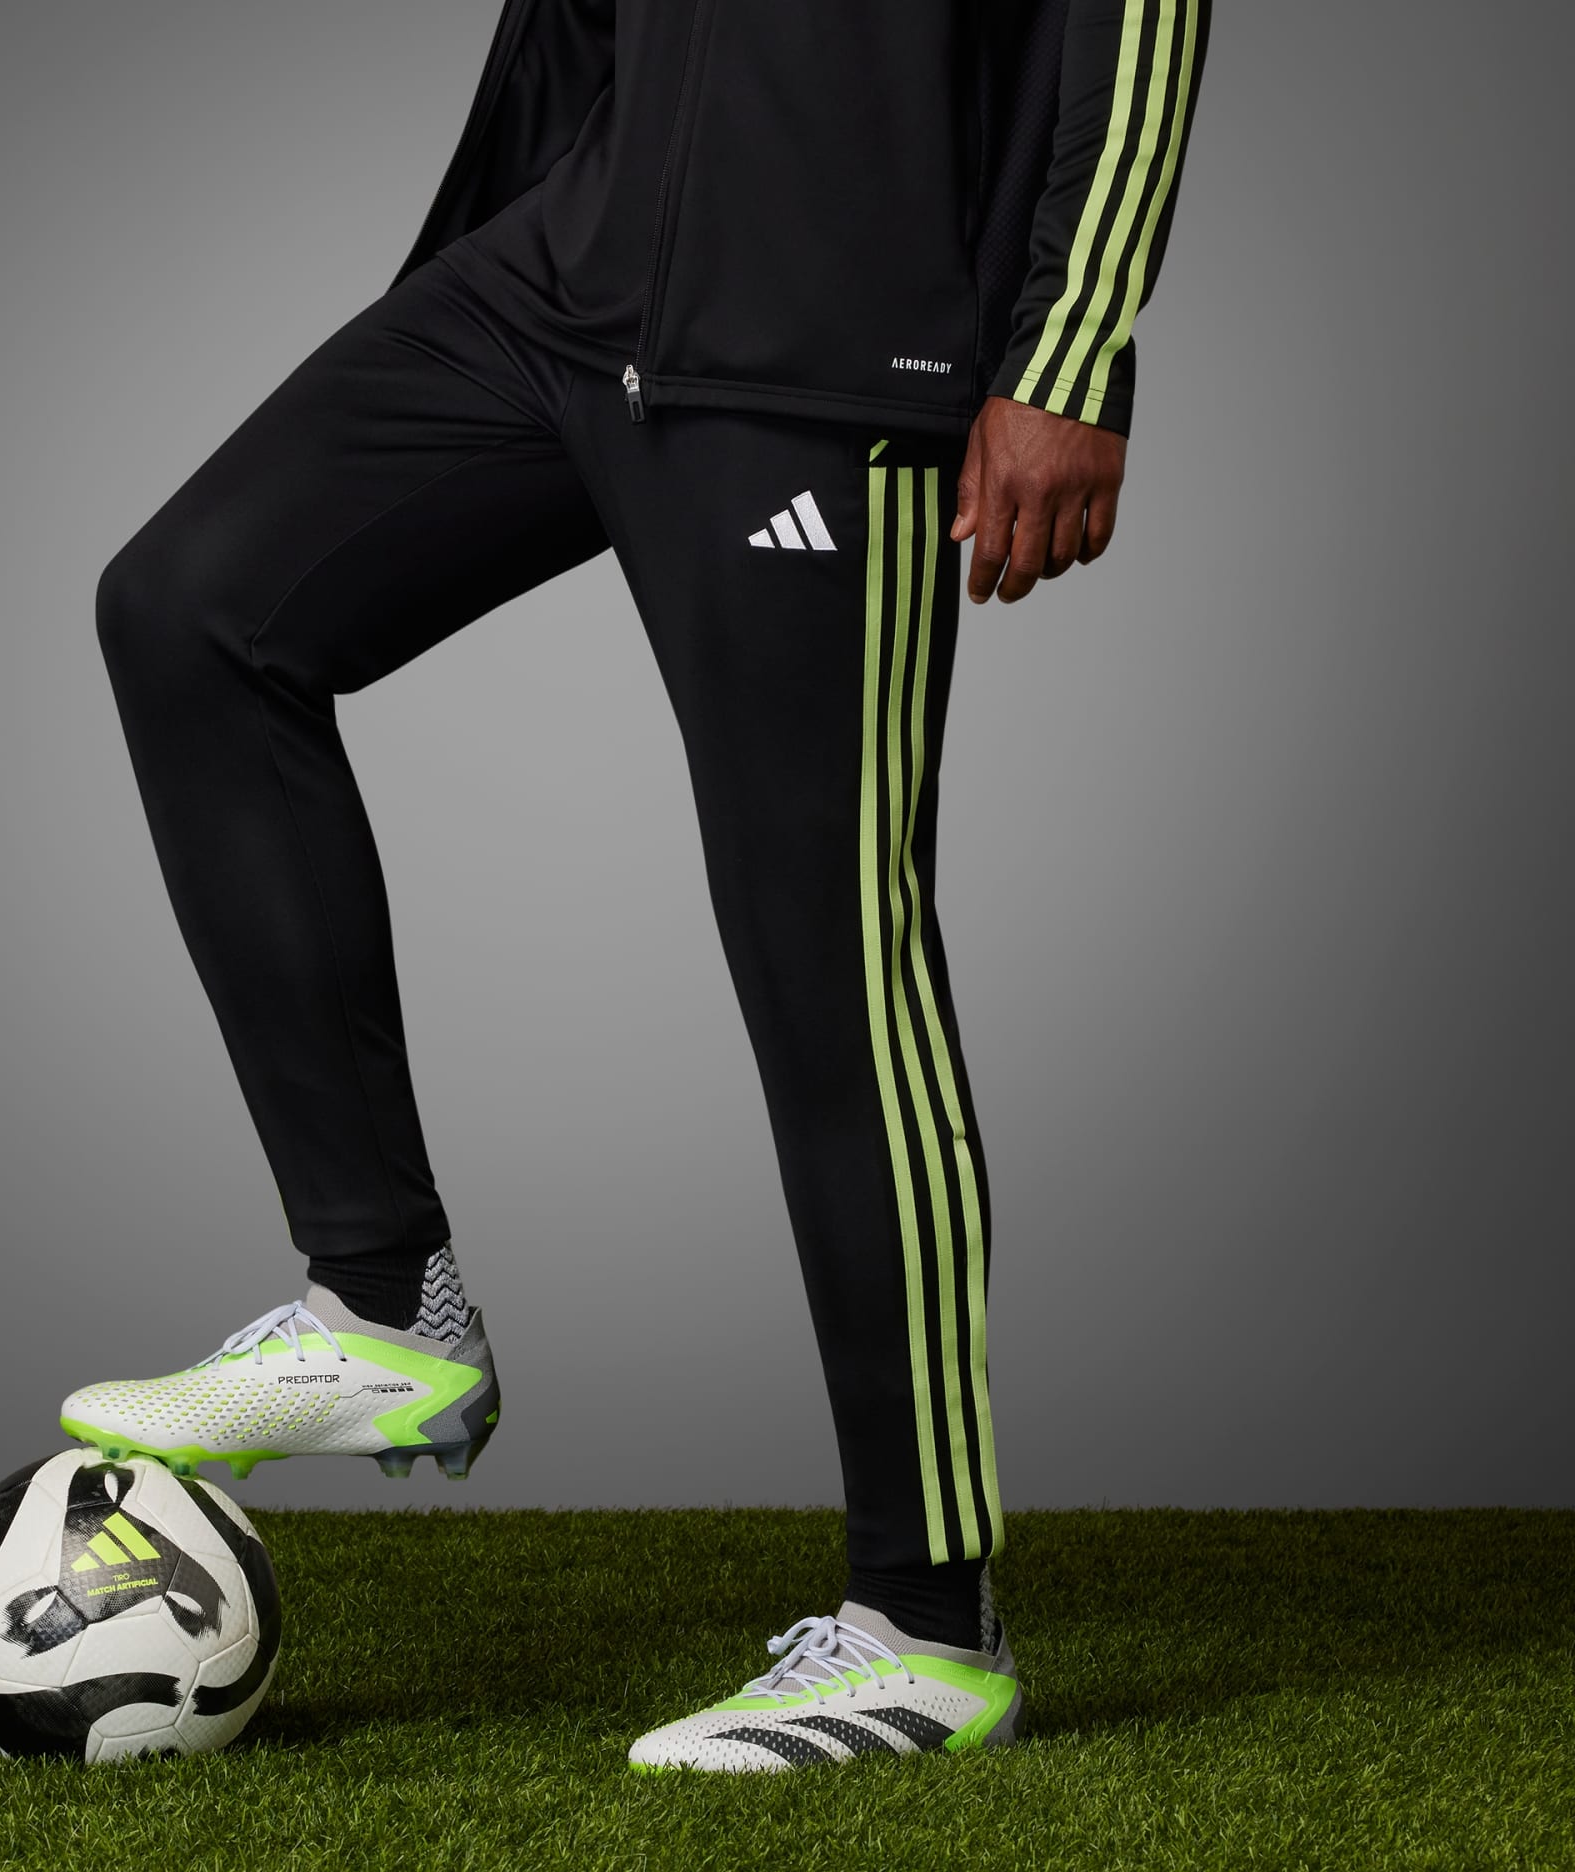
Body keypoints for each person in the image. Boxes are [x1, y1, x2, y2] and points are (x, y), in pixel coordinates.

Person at [59, 0, 1209, 1771]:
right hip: (571, 276)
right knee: (192, 612)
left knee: (830, 957)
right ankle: (388, 1304)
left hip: (822, 338)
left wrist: (1070, 350)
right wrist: (475, 258)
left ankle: (929, 1629)